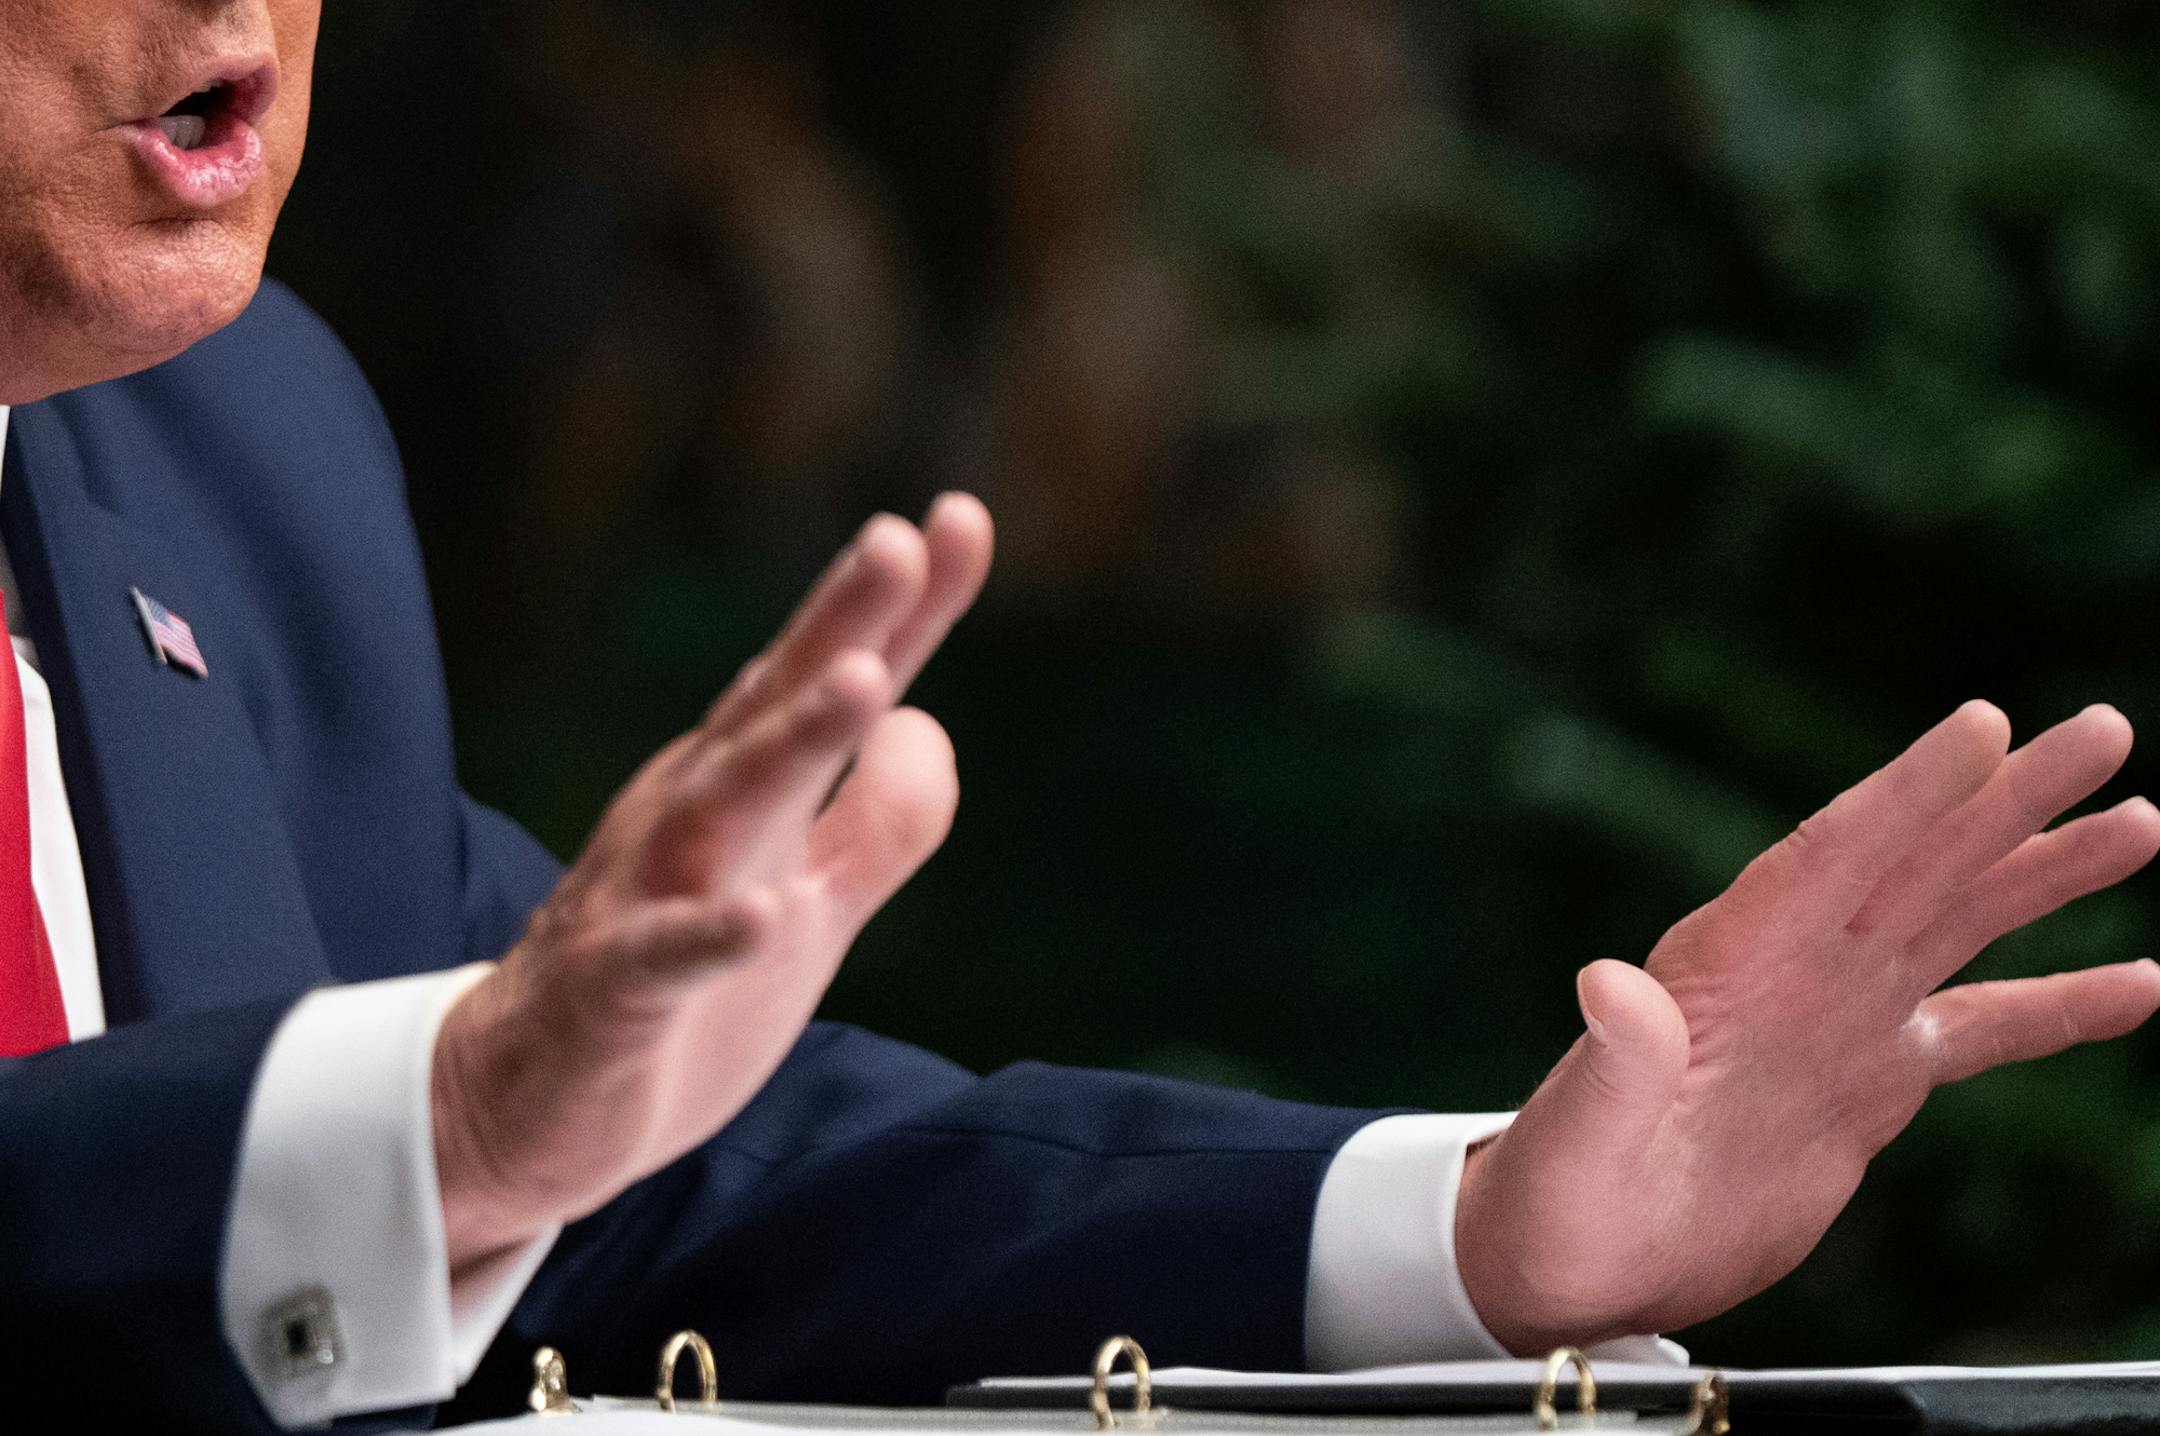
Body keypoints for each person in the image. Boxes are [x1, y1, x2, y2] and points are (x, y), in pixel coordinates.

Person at [6, 2, 2160, 1429]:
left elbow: (604, 1161)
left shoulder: (230, 436)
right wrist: (455, 1120)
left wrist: (1482, 1226)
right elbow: (412, 1126)